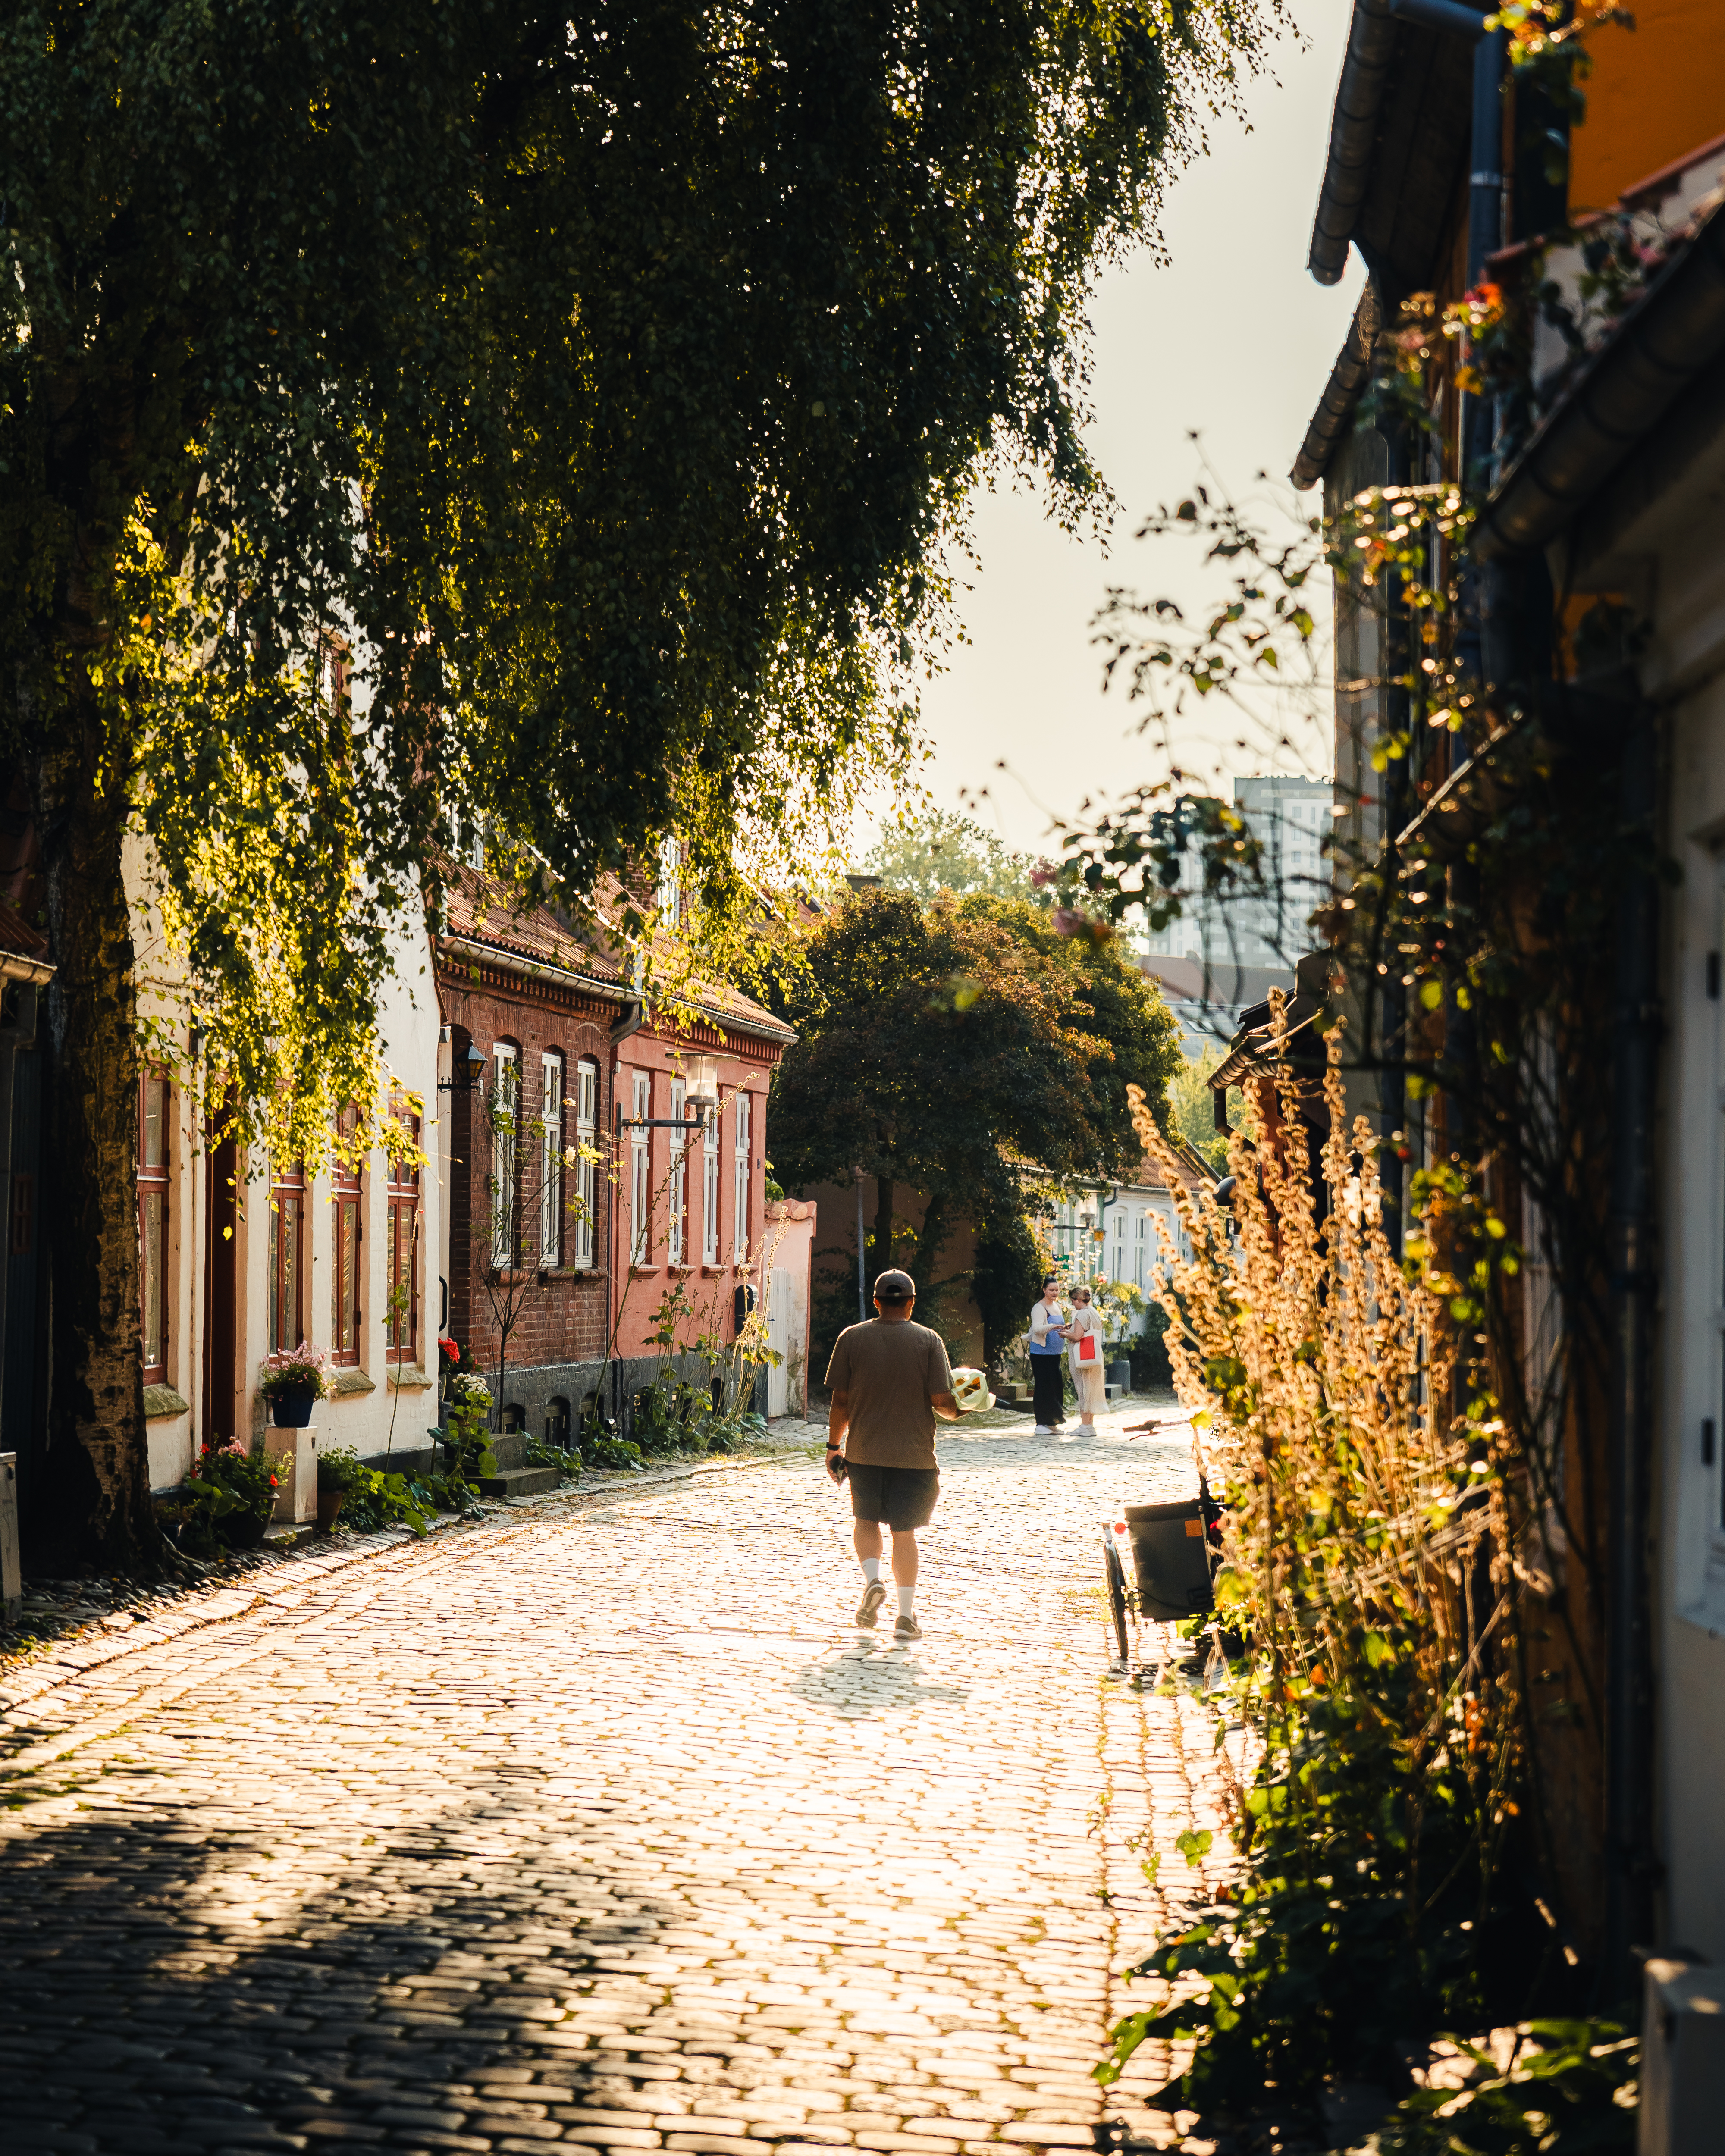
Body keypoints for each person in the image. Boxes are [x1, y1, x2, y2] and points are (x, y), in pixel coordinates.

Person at [825, 1267, 959, 1642]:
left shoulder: (852, 1338)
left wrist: (834, 1447)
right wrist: (964, 1409)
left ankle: (873, 1580)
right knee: (905, 1533)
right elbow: (942, 1402)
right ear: (912, 1304)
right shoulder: (929, 1341)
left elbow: (841, 1401)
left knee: (865, 1522)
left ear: (877, 1302)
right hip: (915, 1458)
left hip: (864, 1453)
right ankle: (904, 1617)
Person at [1027, 1275, 1067, 1435]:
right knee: (1044, 1388)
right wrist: (1051, 1327)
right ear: (1044, 1290)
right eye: (1051, 1290)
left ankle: (1052, 1423)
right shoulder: (1039, 1308)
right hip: (1041, 1354)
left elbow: (1059, 1326)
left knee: (1056, 1388)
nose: (1055, 1292)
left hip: (1055, 1354)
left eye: (1057, 1290)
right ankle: (1041, 1423)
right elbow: (1037, 1329)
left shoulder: (1056, 1306)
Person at [1064, 1282, 1106, 1435]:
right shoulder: (1093, 1312)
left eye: (1073, 1301)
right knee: (1091, 1389)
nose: (1073, 1304)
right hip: (1094, 1355)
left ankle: (1085, 1426)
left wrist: (1064, 1334)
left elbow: (1077, 1337)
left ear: (1078, 1300)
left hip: (1083, 1357)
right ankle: (1089, 1425)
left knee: (1083, 1389)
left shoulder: (1082, 1313)